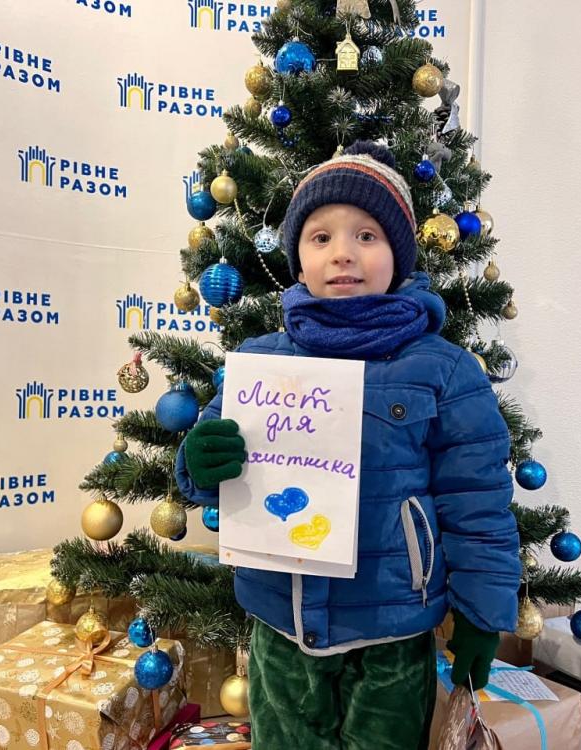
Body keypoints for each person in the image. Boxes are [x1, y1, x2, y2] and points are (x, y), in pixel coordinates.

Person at [175, 141, 520, 749]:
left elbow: (478, 502)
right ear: (298, 260)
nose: (343, 253)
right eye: (320, 237)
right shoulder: (260, 363)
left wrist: (482, 613)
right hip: (280, 622)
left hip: (392, 630)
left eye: (366, 236)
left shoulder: (443, 370)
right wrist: (200, 461)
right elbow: (207, 472)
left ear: (398, 255)